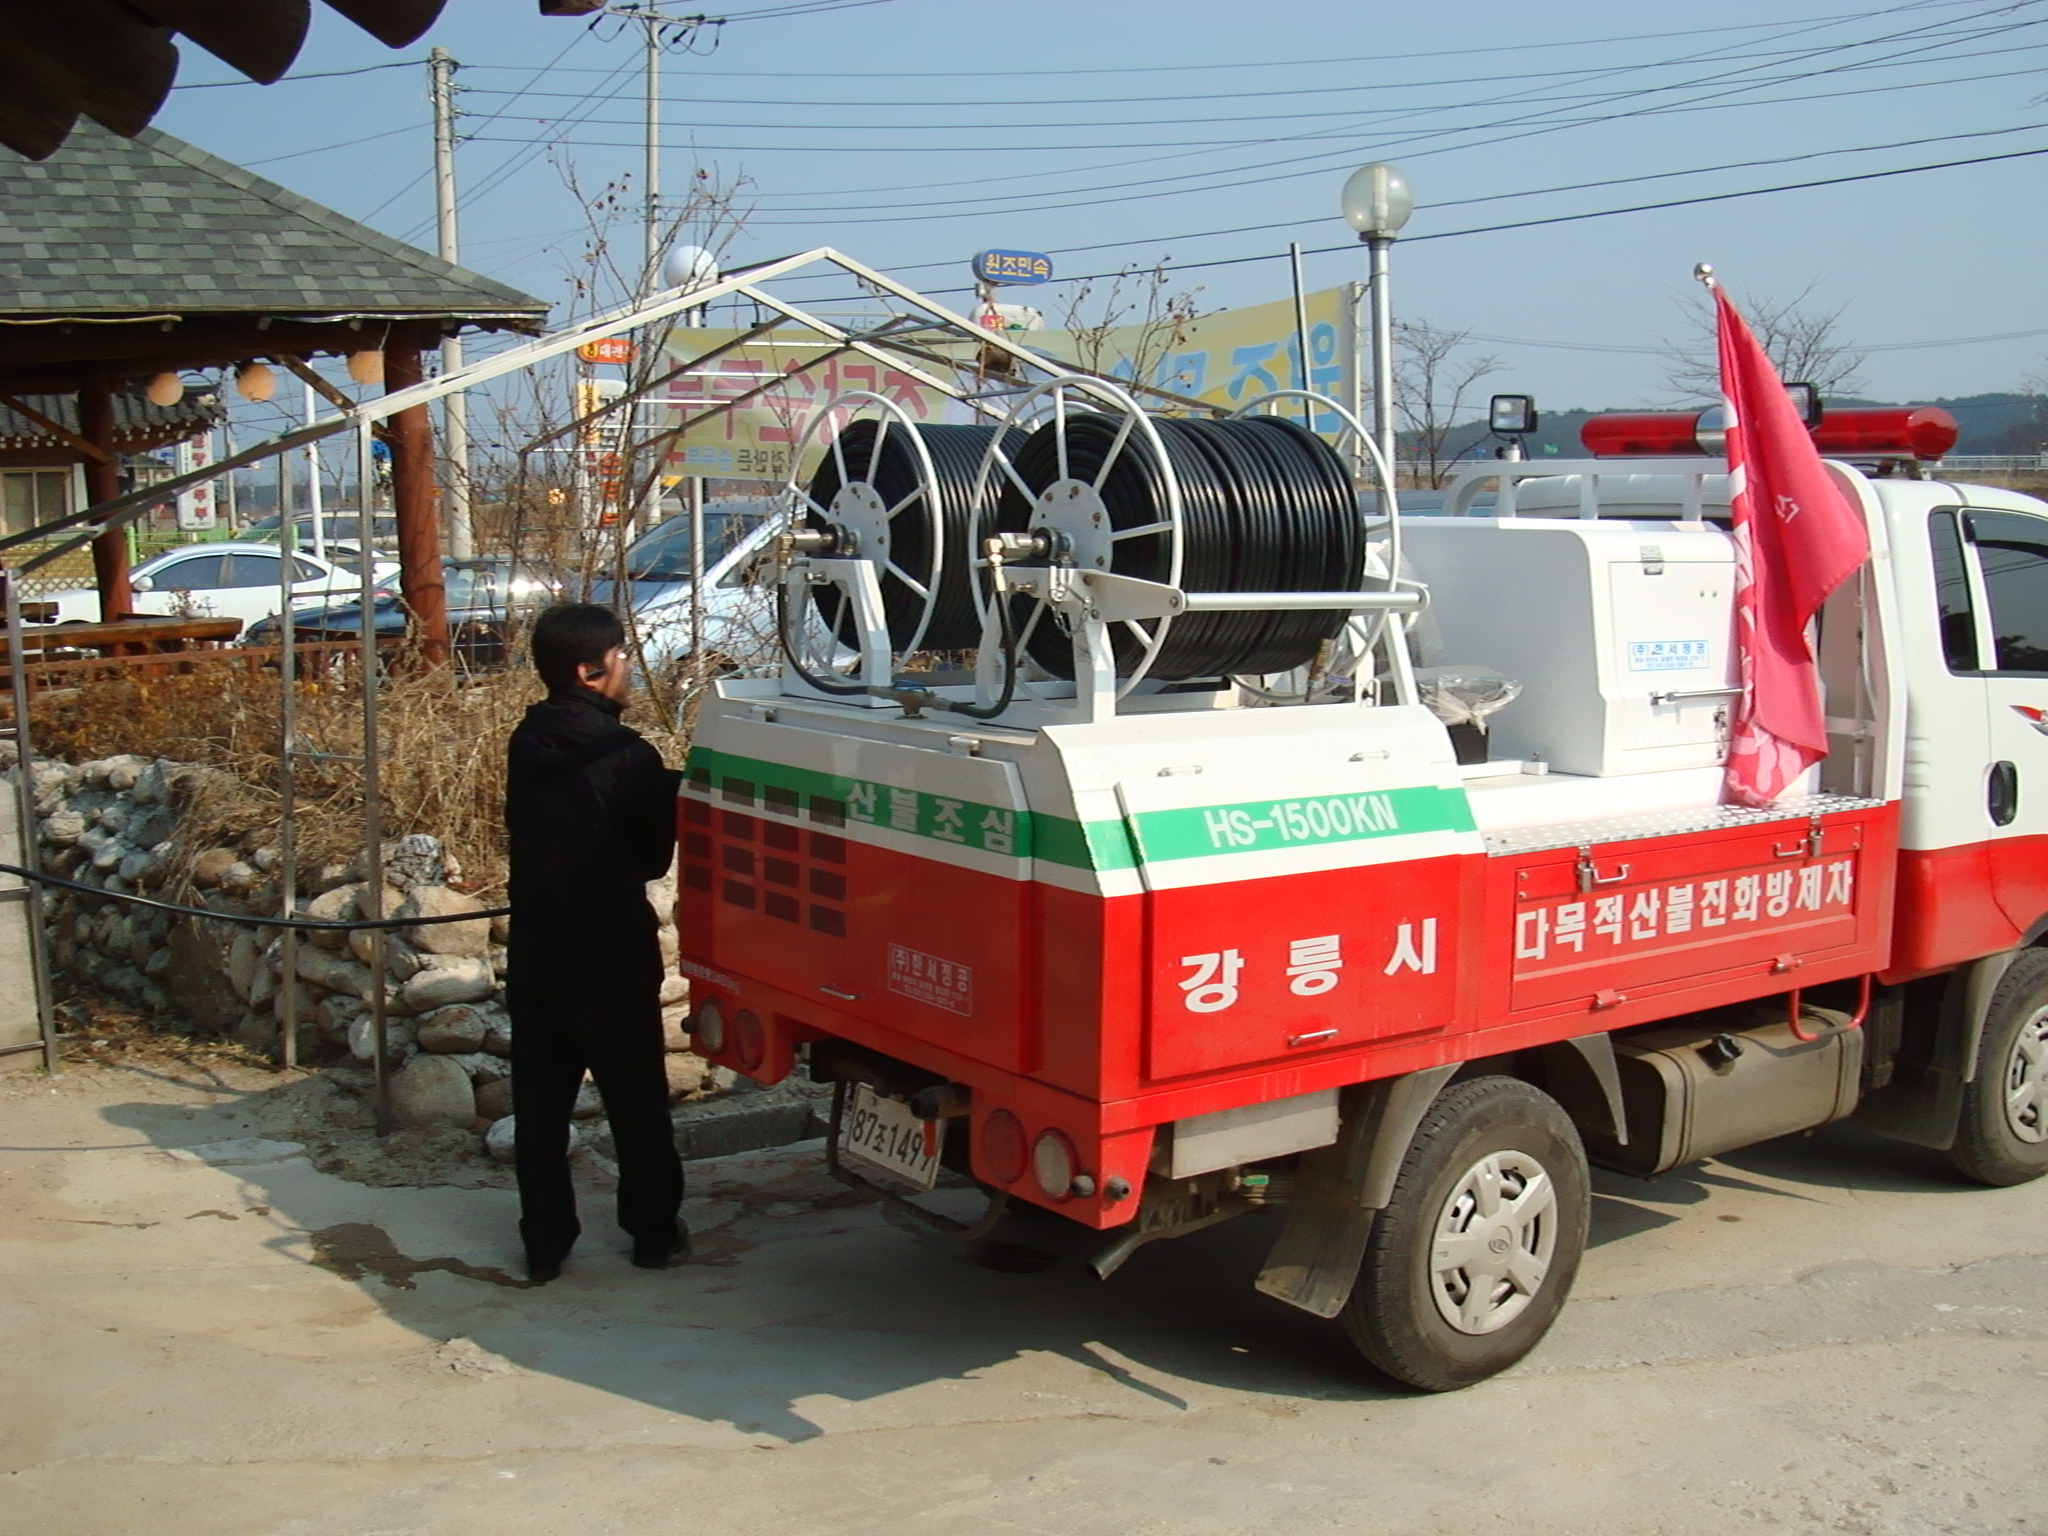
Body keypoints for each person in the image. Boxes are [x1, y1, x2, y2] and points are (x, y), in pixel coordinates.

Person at [505, 604, 686, 1282]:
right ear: (590, 671)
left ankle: (545, 1245)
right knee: (636, 1102)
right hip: (610, 954)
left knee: (540, 1109)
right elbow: (650, 860)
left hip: (537, 951)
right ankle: (653, 1233)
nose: (628, 668)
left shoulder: (526, 742)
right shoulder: (630, 759)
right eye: (620, 657)